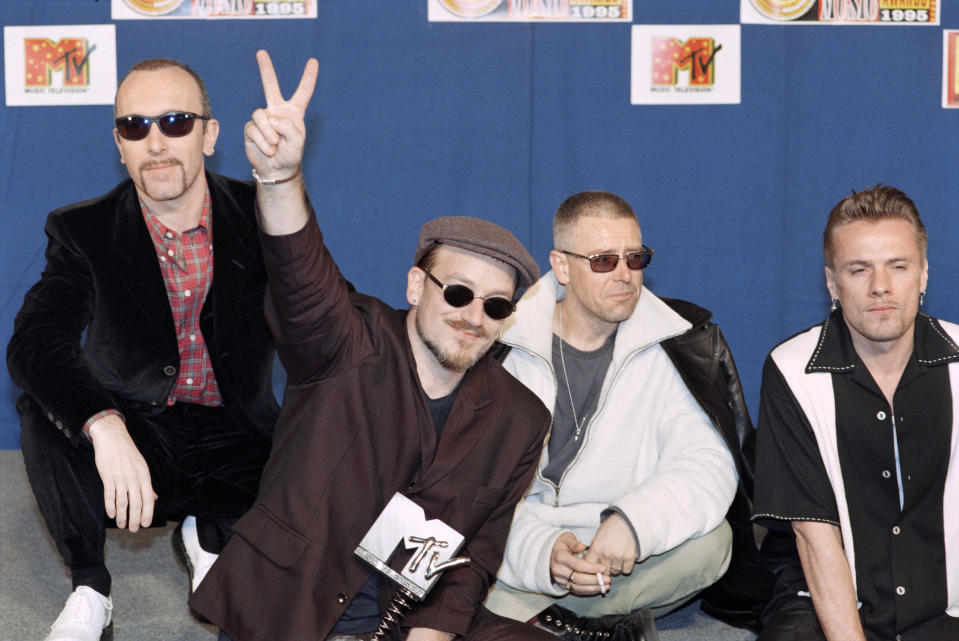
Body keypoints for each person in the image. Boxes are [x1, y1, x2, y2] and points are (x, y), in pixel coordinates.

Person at [189, 50, 555, 641]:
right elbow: (299, 274)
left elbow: (476, 552)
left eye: (496, 305)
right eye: (458, 293)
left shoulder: (519, 417)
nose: (473, 317)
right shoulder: (347, 342)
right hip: (295, 613)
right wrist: (279, 177)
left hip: (407, 618)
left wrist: (433, 630)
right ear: (416, 285)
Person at [7, 58, 277, 641]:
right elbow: (36, 340)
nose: (156, 143)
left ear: (210, 134)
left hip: (239, 439)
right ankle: (90, 588)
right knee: (45, 414)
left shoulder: (263, 215)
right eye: (135, 127)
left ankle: (208, 533)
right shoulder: (82, 230)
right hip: (135, 441)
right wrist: (104, 427)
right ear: (119, 145)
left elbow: (330, 313)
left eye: (176, 122)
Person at [484, 190, 768, 639]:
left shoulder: (672, 343)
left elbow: (706, 464)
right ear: (561, 267)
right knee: (466, 562)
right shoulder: (502, 346)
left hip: (622, 554)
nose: (624, 275)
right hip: (525, 545)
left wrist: (633, 523)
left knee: (713, 546)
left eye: (635, 259)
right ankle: (581, 624)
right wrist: (543, 552)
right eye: (603, 260)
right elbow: (478, 491)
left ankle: (547, 622)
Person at [752, 184, 959, 641]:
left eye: (898, 266)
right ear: (831, 282)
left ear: (923, 274)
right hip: (828, 604)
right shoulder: (792, 371)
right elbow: (813, 537)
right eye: (859, 268)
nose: (880, 286)